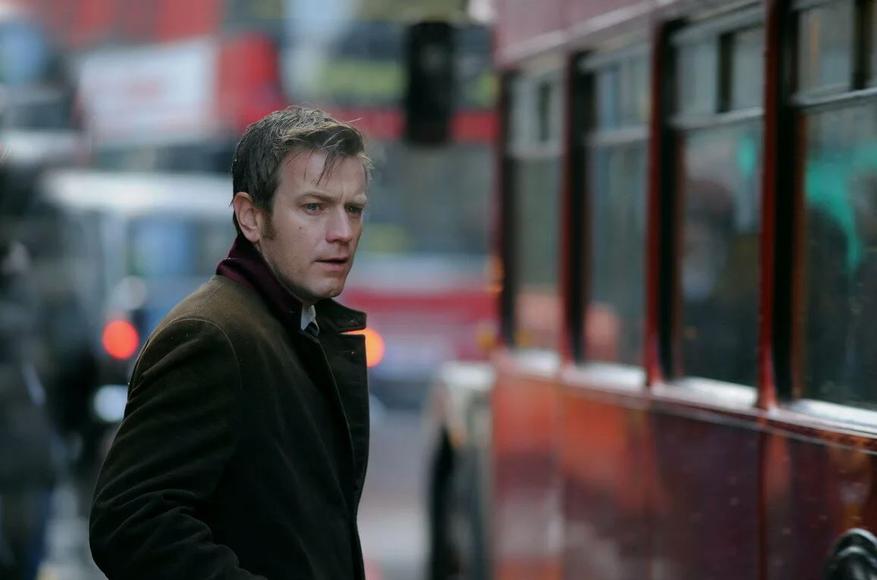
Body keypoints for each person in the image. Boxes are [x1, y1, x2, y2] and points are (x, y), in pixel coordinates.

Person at [89, 106, 372, 580]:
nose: (342, 232)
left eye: (354, 209)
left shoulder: (295, 326)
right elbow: (129, 521)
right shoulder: (213, 336)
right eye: (314, 207)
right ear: (250, 217)